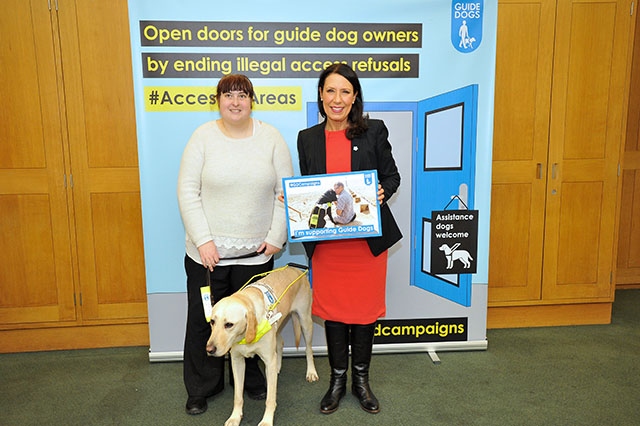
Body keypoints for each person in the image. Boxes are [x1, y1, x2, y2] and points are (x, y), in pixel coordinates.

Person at [177, 74, 293, 415]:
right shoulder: (202, 137)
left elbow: (284, 193)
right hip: (206, 256)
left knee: (254, 321)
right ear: (218, 100)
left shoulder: (271, 138)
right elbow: (187, 192)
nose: (235, 101)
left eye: (242, 95)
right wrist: (204, 241)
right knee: (206, 321)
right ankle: (203, 386)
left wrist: (276, 236)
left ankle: (255, 381)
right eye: (228, 95)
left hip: (255, 257)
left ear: (251, 100)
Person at [296, 63, 402, 415]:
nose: (336, 99)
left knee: (364, 313)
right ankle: (337, 381)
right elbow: (310, 189)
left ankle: (361, 382)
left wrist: (383, 192)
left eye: (344, 91)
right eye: (330, 91)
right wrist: (294, 200)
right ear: (321, 96)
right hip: (328, 248)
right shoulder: (307, 138)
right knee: (335, 315)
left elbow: (391, 176)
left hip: (365, 247)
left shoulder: (373, 131)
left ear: (355, 96)